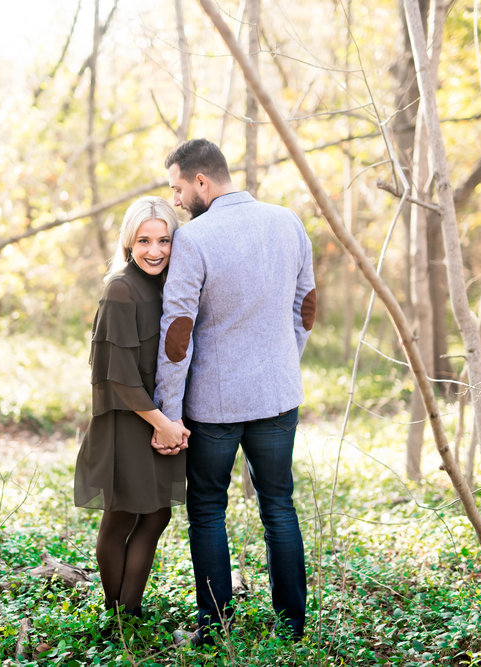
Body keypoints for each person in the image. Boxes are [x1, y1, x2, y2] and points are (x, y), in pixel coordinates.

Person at [152, 139, 316, 645]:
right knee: (279, 506)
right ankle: (291, 627)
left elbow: (177, 334)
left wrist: (170, 414)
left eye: (178, 188)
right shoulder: (287, 221)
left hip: (213, 407)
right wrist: (282, 364)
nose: (176, 200)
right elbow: (305, 305)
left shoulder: (195, 239)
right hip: (277, 396)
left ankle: (215, 626)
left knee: (206, 509)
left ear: (202, 182)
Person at [73, 196, 190, 626]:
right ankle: (117, 614)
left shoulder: (167, 286)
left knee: (157, 512)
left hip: (162, 417)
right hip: (128, 419)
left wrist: (172, 421)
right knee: (122, 513)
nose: (155, 250)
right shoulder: (120, 288)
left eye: (164, 240)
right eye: (144, 240)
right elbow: (117, 374)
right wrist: (163, 424)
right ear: (129, 241)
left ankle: (128, 610)